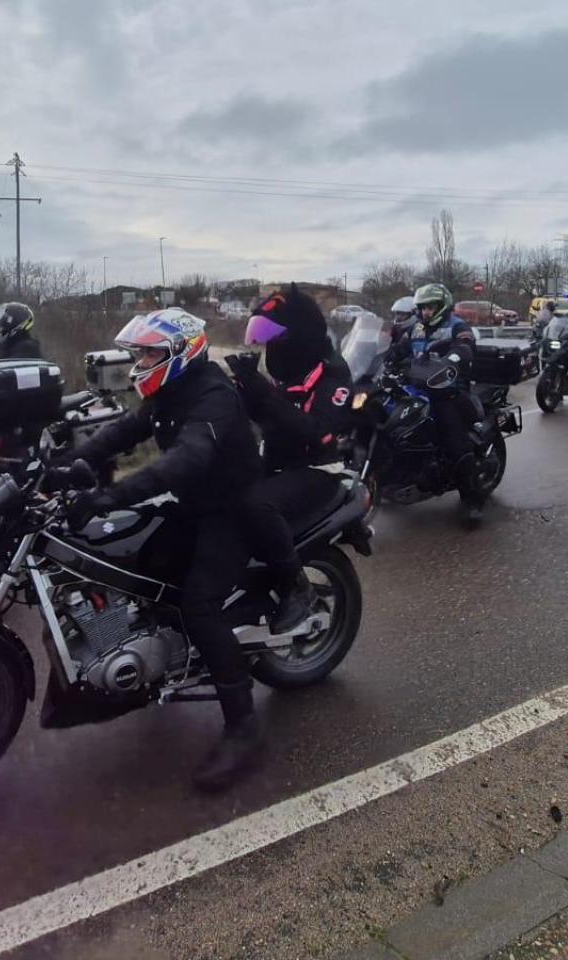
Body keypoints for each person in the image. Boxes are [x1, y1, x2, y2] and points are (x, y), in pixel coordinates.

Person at [59, 308, 266, 791]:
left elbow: (185, 459)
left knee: (199, 605)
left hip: (232, 509)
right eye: (141, 354)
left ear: (181, 352)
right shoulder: (169, 392)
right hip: (193, 504)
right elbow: (121, 433)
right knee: (135, 563)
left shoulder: (213, 394)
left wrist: (109, 496)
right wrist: (65, 466)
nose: (142, 362)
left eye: (150, 354)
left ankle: (243, 726)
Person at [223, 284, 355, 635]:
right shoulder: (289, 375)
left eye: (277, 338)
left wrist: (264, 395)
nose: (272, 347)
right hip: (278, 464)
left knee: (257, 504)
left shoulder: (333, 375)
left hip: (318, 469)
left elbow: (318, 432)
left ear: (298, 336)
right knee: (218, 492)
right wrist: (240, 392)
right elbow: (269, 420)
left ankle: (297, 587)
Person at [399, 282, 487, 521]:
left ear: (442, 306)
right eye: (423, 308)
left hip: (448, 391)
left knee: (454, 442)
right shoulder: (415, 329)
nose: (426, 312)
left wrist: (452, 359)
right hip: (418, 390)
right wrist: (386, 358)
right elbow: (398, 349)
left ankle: (472, 499)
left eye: (430, 307)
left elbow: (465, 347)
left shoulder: (457, 326)